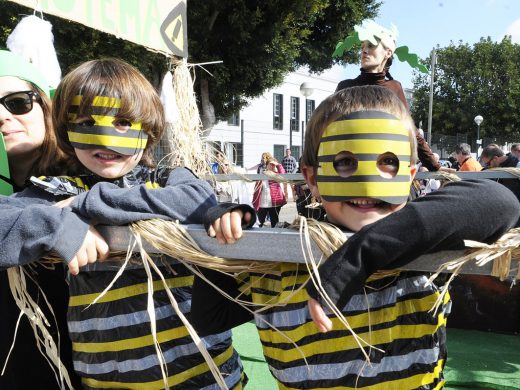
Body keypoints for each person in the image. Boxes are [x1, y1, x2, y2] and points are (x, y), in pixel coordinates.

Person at [191, 86, 519, 389]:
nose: (367, 179)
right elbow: (210, 318)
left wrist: (361, 255)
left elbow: (501, 203)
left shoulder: (426, 253)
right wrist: (221, 224)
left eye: (388, 162)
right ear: (312, 178)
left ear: (410, 176)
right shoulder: (278, 267)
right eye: (345, 161)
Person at [1, 58, 245, 389]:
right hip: (108, 380)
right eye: (86, 122)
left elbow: (196, 200)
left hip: (204, 376)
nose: (105, 139)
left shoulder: (165, 178)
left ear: (149, 128)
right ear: (67, 130)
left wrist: (87, 206)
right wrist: (56, 222)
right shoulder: (57, 191)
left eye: (123, 122)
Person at [0, 50, 83, 389]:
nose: (1, 116)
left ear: (47, 106)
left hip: (82, 366)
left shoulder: (90, 175)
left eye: (17, 102)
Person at [335, 21, 443, 172]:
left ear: (388, 53)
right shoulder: (345, 87)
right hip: (350, 171)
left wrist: (435, 166)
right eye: (362, 47)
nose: (364, 50)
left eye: (371, 46)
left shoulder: (394, 88)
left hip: (385, 171)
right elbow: (327, 129)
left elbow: (410, 130)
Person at [252, 157, 286, 227]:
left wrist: (278, 165)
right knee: (259, 223)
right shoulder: (262, 174)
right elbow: (256, 189)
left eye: (273, 165)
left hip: (274, 204)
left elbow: (283, 174)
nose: (271, 166)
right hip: (262, 204)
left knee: (275, 223)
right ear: (266, 165)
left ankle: (274, 237)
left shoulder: (277, 175)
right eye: (270, 164)